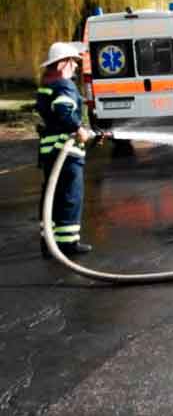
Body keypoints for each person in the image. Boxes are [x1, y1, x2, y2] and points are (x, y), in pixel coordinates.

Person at [36, 42, 93, 257]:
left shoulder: (47, 85)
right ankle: (67, 243)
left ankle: (48, 242)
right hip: (65, 152)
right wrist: (78, 129)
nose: (77, 67)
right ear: (62, 63)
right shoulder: (64, 85)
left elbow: (48, 116)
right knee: (70, 196)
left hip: (51, 150)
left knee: (53, 196)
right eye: (74, 62)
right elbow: (64, 112)